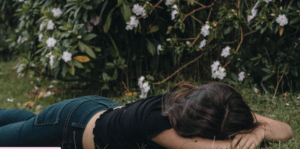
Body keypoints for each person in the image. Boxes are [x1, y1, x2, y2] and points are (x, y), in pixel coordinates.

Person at [0, 82, 293, 149]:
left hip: (96, 108)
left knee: (27, 124)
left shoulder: (208, 103)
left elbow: (286, 129)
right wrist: (249, 137)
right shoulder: (161, 125)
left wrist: (258, 130)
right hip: (69, 126)